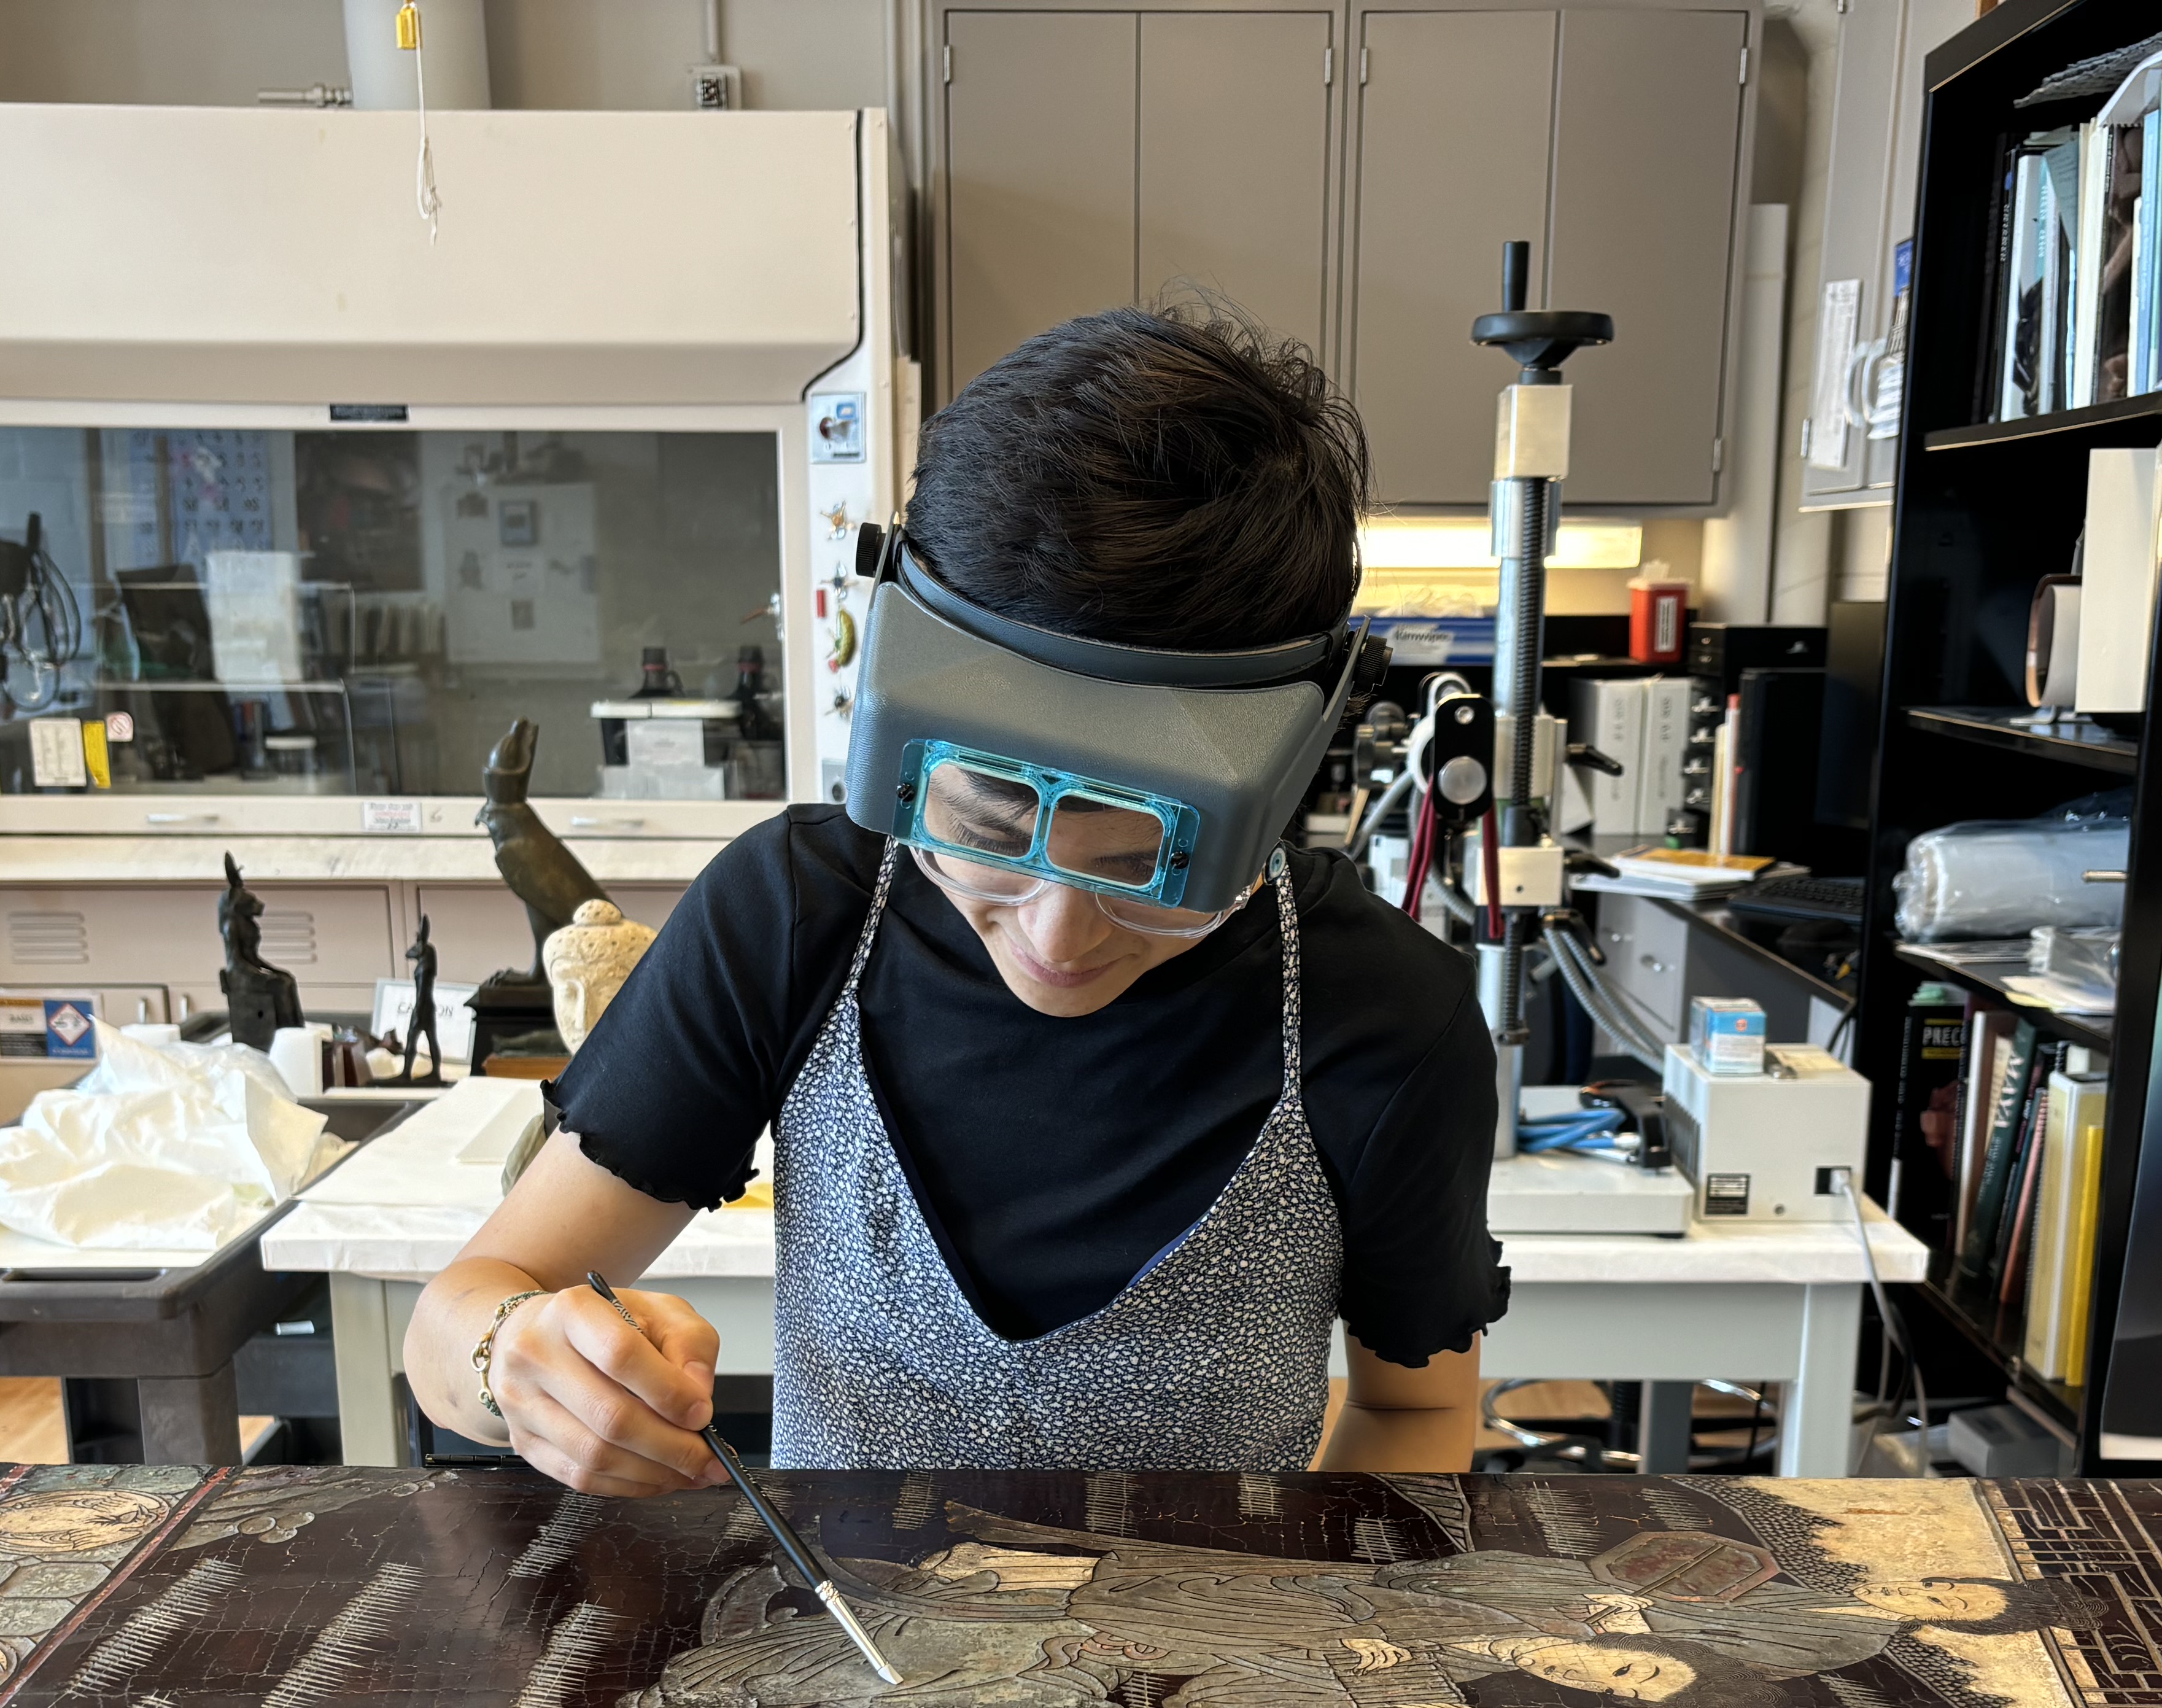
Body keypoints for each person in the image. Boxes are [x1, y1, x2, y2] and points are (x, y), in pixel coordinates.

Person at [406, 309, 1507, 1488]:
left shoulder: (1382, 1016)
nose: (1058, 933)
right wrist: (514, 1359)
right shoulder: (799, 918)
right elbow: (458, 1318)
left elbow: (1413, 1415)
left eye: (1150, 865)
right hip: (850, 1652)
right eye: (987, 830)